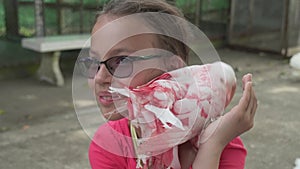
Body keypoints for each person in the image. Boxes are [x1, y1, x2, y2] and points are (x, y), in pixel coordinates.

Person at [82, 0, 258, 168]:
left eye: (121, 61)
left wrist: (212, 146)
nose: (99, 77)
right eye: (93, 61)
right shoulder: (108, 144)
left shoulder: (224, 141)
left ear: (171, 67)